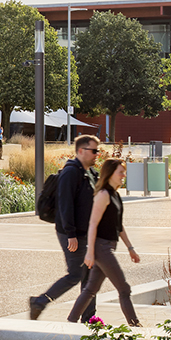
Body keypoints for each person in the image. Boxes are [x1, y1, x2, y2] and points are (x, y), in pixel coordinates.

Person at [29, 134, 101, 320]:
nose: (97, 154)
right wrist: (71, 234)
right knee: (76, 274)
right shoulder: (70, 173)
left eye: (98, 151)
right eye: (94, 151)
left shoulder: (90, 173)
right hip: (72, 233)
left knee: (89, 275)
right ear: (81, 151)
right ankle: (39, 302)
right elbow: (65, 205)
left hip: (85, 232)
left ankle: (89, 318)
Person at [67, 159, 142, 325]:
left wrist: (130, 248)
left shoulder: (115, 195)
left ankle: (70, 322)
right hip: (102, 248)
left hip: (107, 247)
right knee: (124, 288)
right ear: (110, 174)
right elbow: (93, 224)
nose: (123, 175)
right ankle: (135, 325)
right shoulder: (103, 195)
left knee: (90, 290)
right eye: (120, 172)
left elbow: (119, 226)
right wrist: (90, 252)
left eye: (124, 172)